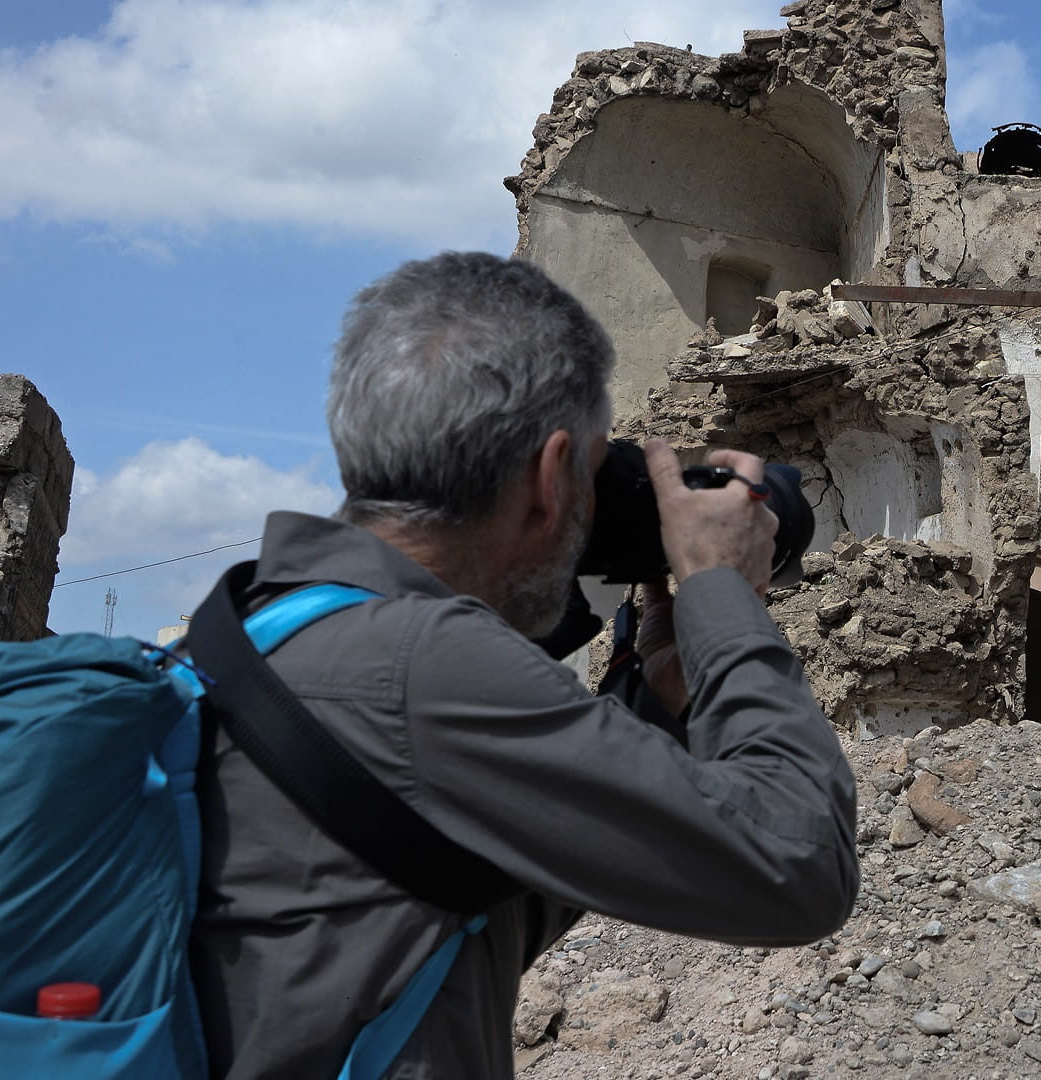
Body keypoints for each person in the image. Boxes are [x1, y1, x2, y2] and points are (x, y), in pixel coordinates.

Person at [190, 252, 859, 1078]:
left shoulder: (263, 628)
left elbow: (465, 903)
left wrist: (653, 692)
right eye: (593, 470)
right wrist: (722, 590)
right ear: (550, 476)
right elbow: (801, 865)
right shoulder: (426, 666)